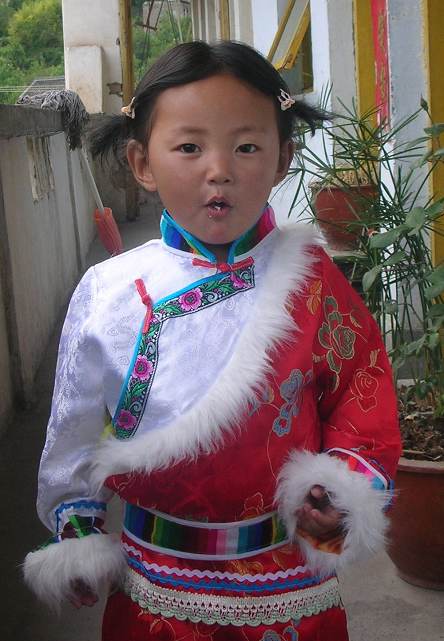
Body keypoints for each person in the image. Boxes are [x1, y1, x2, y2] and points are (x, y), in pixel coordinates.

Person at [24, 40, 401, 640]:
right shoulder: (109, 291)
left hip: (288, 583)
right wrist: (77, 530)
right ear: (142, 162)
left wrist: (336, 502)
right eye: (189, 147)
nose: (219, 168)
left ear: (283, 159)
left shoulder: (313, 281)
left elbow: (362, 390)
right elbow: (73, 427)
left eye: (246, 146)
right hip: (154, 584)